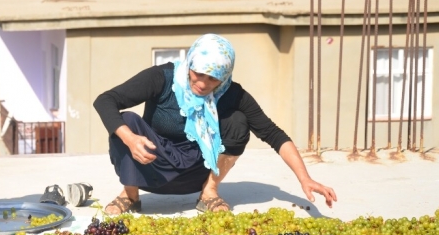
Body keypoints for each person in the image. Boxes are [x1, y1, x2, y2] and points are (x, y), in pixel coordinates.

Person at [93, 33, 337, 215]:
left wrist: (305, 179)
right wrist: (130, 138)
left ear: (225, 77)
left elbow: (273, 134)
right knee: (124, 121)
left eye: (213, 78)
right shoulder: (161, 78)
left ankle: (209, 192)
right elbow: (105, 100)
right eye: (199, 73)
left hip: (196, 172)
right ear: (190, 64)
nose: (202, 83)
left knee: (238, 121)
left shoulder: (232, 93)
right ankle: (130, 194)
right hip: (151, 166)